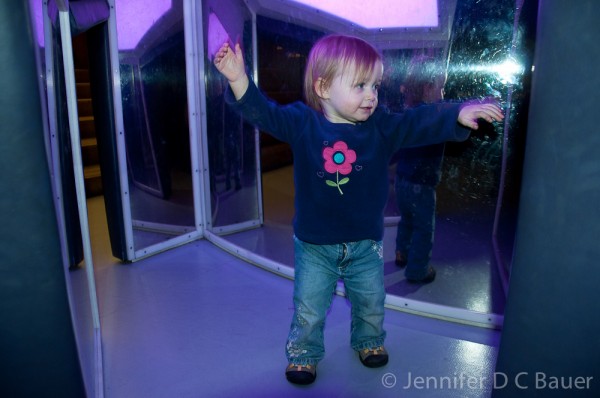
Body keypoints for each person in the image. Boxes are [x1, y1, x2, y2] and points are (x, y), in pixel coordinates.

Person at [213, 34, 503, 385]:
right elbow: (264, 113)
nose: (372, 95)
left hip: (365, 244)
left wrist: (457, 113)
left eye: (375, 86)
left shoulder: (380, 127)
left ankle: (368, 340)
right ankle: (303, 354)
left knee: (371, 300)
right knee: (309, 307)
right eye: (361, 85)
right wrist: (238, 79)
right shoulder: (303, 125)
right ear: (323, 87)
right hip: (315, 246)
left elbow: (418, 121)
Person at [392, 54, 449, 283]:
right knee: (424, 228)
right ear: (427, 89)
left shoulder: (408, 112)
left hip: (402, 179)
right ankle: (417, 270)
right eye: (441, 88)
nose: (443, 94)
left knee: (406, 219)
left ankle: (401, 252)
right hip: (422, 184)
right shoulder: (432, 116)